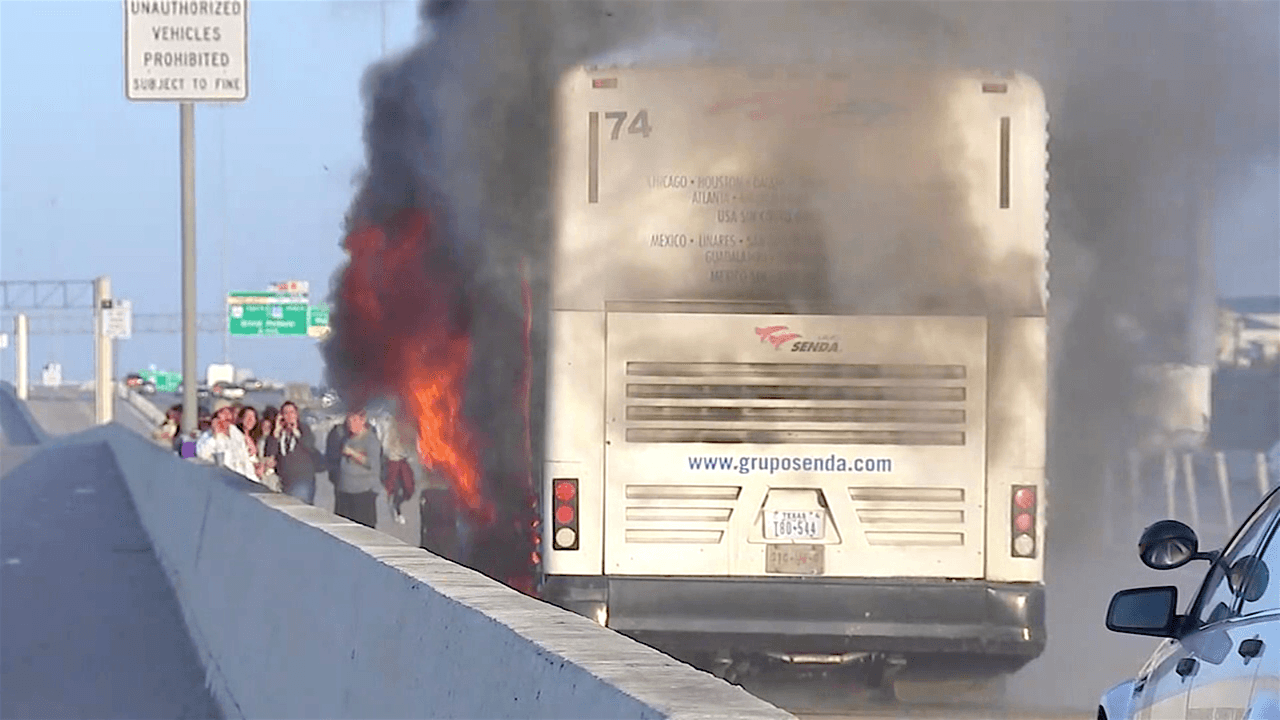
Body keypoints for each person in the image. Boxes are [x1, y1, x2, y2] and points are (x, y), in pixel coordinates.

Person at [325, 409, 383, 529]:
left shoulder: (370, 439)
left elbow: (373, 464)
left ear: (363, 420)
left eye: (355, 419)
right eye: (349, 419)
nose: (351, 423)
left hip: (363, 493)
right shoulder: (343, 437)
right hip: (343, 491)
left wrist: (353, 454)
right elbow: (332, 458)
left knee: (363, 531)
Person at [264, 401, 322, 504]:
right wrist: (276, 432)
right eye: (286, 413)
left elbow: (309, 446)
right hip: (284, 479)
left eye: (292, 412)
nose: (289, 415)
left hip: (302, 479)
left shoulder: (304, 429)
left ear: (297, 414)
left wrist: (295, 432)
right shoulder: (279, 433)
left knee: (301, 508)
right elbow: (269, 453)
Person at [195, 399, 258, 480]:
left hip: (241, 480)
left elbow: (245, 459)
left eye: (229, 412)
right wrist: (217, 436)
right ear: (217, 416)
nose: (227, 415)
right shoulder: (207, 436)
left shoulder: (237, 434)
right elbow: (202, 455)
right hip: (222, 480)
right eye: (224, 412)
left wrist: (254, 479)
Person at [380, 416, 417, 525]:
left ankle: (397, 503)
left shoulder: (411, 424)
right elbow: (385, 442)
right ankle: (393, 509)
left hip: (404, 458)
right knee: (390, 485)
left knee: (409, 486)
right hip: (392, 457)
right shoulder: (389, 423)